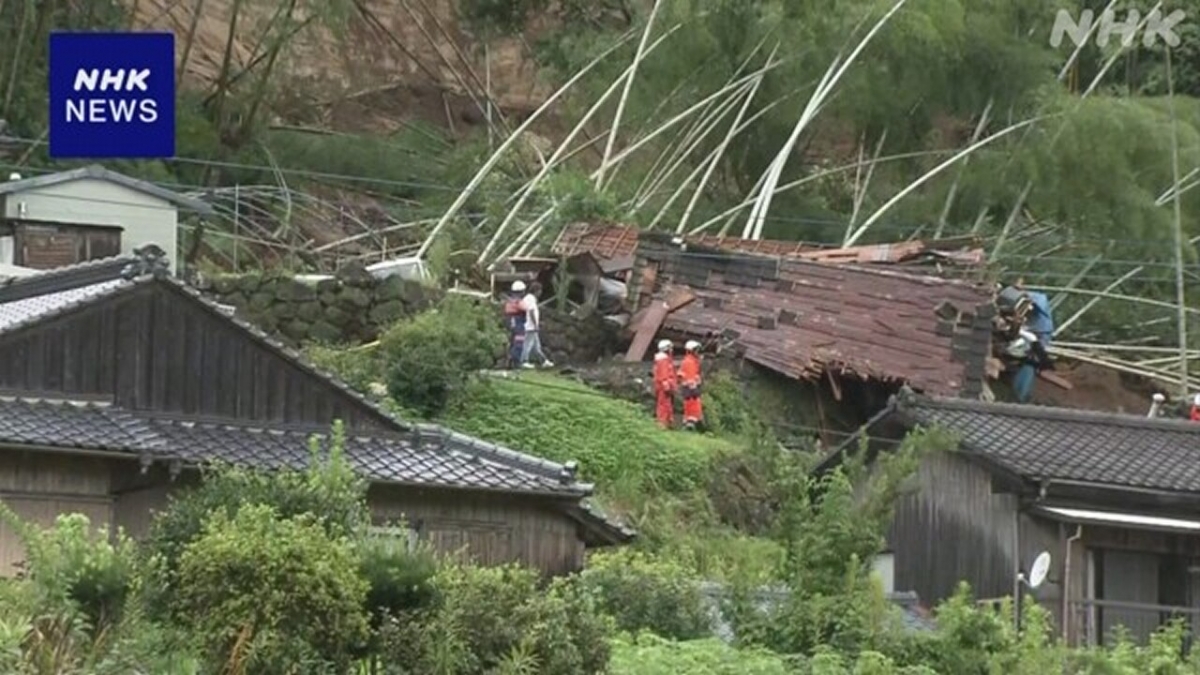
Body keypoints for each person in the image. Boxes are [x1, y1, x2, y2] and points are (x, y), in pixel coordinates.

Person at [519, 281, 554, 369]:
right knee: (528, 344)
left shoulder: (529, 299)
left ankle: (543, 361)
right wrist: (535, 324)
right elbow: (531, 312)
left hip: (530, 326)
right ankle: (524, 361)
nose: (540, 293)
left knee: (536, 346)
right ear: (536, 290)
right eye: (540, 291)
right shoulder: (530, 299)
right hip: (530, 326)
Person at [679, 340, 704, 430]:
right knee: (691, 406)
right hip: (690, 389)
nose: (698, 352)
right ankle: (690, 424)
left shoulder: (693, 361)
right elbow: (690, 378)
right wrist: (694, 387)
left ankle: (692, 422)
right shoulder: (689, 362)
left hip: (691, 388)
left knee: (693, 406)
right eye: (696, 350)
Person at [653, 339, 677, 428]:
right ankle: (662, 422)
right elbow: (663, 373)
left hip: (666, 385)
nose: (672, 350)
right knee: (663, 404)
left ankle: (668, 422)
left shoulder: (665, 359)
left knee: (667, 403)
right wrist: (666, 384)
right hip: (664, 386)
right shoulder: (663, 360)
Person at [504, 281, 527, 369]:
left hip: (511, 324)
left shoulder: (509, 302)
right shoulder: (518, 302)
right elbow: (525, 308)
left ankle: (509, 360)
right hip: (518, 325)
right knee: (518, 343)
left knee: (511, 343)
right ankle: (515, 361)